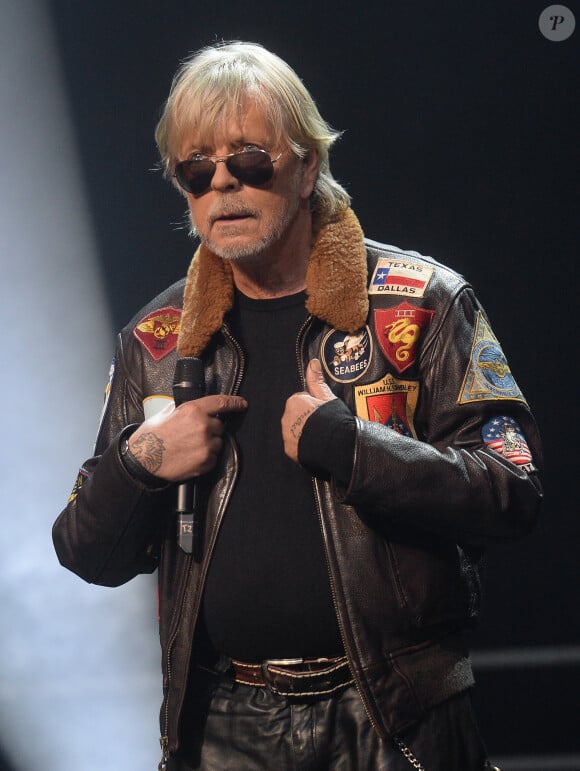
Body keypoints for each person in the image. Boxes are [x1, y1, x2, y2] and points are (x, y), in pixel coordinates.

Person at [52, 41, 543, 771]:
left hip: (395, 716)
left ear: (307, 165)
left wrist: (353, 450)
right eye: (197, 169)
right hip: (222, 725)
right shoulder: (156, 341)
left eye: (249, 160)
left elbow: (513, 488)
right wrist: (142, 460)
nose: (223, 185)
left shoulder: (427, 303)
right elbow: (85, 549)